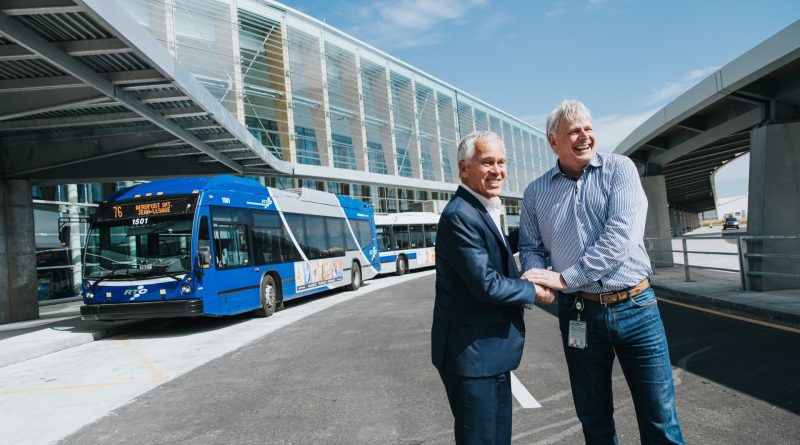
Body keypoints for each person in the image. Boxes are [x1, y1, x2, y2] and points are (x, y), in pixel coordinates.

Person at [519, 100, 684, 444]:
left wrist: (564, 279)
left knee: (659, 416)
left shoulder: (620, 169)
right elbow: (531, 247)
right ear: (553, 142)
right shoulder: (535, 192)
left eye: (588, 128)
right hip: (579, 314)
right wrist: (538, 280)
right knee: (593, 415)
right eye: (574, 131)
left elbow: (622, 235)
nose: (584, 136)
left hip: (637, 308)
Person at [431, 130, 554, 444]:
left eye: (501, 162)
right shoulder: (460, 215)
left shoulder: (480, 208)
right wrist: (533, 291)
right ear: (464, 169)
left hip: (489, 354)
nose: (497, 170)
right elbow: (485, 284)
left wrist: (537, 235)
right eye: (487, 162)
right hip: (473, 358)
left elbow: (496, 251)